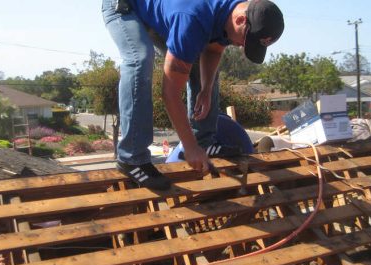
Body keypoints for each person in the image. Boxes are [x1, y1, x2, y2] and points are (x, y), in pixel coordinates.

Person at [102, 0, 284, 190]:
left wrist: (205, 89)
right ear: (239, 20)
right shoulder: (192, 19)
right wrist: (189, 148)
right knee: (140, 57)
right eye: (244, 41)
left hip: (168, 13)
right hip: (125, 6)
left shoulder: (230, 11)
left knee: (198, 60)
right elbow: (170, 93)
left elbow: (213, 50)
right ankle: (131, 158)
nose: (240, 46)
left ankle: (204, 142)